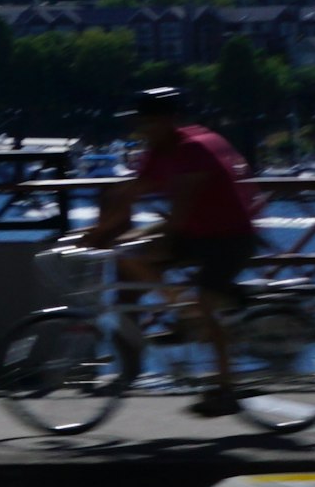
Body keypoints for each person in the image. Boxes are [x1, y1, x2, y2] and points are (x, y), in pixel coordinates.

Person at [84, 84, 265, 417]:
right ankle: (134, 362)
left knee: (205, 305)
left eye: (150, 122)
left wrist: (139, 242)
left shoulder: (193, 148)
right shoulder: (157, 150)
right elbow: (129, 193)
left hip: (230, 237)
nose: (143, 129)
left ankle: (225, 388)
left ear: (169, 120)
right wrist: (94, 234)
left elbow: (179, 216)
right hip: (197, 232)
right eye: (140, 122)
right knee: (127, 260)